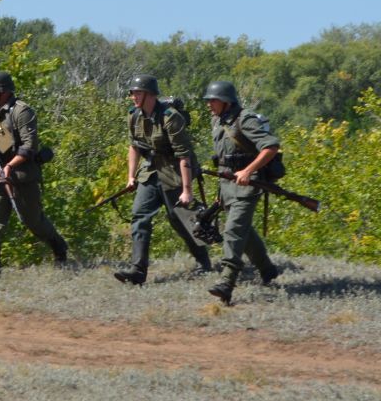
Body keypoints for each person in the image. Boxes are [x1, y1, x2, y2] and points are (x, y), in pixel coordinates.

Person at [113, 75, 213, 285]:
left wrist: (187, 190)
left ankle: (204, 261)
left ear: (150, 94)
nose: (133, 97)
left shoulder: (170, 117)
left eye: (137, 93)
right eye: (132, 93)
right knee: (139, 216)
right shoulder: (134, 116)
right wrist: (131, 176)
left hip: (174, 172)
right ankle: (138, 271)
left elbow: (183, 155)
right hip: (149, 172)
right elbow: (134, 147)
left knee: (180, 220)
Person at [0, 72, 69, 272]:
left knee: (33, 221)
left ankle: (59, 247)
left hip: (22, 176)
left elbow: (28, 147)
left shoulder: (22, 112)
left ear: (3, 91)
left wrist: (10, 165)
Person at [203, 81, 282, 305]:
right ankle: (267, 270)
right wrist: (219, 192)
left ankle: (227, 282)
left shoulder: (244, 119)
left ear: (226, 101)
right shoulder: (216, 120)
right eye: (208, 100)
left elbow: (271, 147)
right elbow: (222, 159)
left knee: (233, 230)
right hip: (227, 184)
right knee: (243, 232)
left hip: (248, 183)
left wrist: (248, 170)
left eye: (213, 100)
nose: (209, 104)